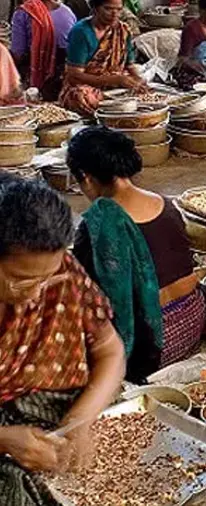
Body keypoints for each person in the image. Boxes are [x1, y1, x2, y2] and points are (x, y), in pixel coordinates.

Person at [0, 176, 126, 504]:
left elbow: (110, 353)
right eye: (20, 280)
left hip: (44, 401)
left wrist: (79, 420)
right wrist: (3, 440)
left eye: (47, 278)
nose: (36, 295)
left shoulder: (63, 272)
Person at [69, 127, 205, 380]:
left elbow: (84, 293)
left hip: (154, 342)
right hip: (192, 320)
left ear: (86, 177)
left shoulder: (98, 225)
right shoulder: (165, 203)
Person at [59, 0, 147, 116]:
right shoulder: (81, 32)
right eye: (108, 9)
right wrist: (115, 80)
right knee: (83, 97)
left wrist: (138, 81)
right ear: (95, 9)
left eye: (119, 9)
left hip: (115, 83)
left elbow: (130, 66)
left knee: (141, 94)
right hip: (86, 84)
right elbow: (74, 76)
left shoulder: (123, 30)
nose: (114, 14)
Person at [10, 0, 76, 100]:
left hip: (36, 81)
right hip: (65, 80)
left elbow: (18, 54)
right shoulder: (68, 12)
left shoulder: (23, 13)